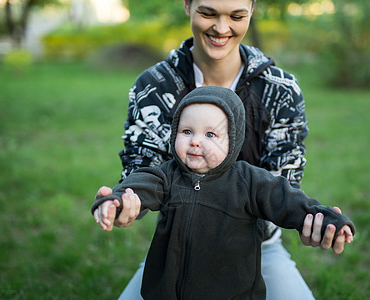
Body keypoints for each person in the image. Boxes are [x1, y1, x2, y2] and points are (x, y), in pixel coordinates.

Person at [93, 0, 352, 299]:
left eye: (237, 15)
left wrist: (309, 219)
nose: (221, 27)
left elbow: (282, 188)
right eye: (208, 13)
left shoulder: (280, 89)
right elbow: (144, 174)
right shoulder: (155, 86)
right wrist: (125, 205)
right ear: (187, 5)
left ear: (252, 10)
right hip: (178, 245)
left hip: (256, 249)